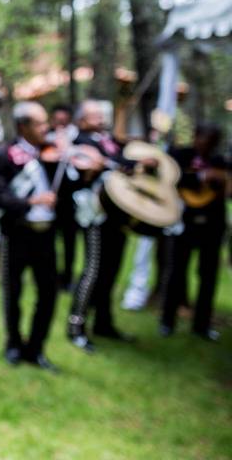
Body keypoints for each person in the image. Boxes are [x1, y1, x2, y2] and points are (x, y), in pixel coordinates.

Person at [66, 99, 153, 352]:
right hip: (96, 216)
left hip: (118, 218)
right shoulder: (82, 142)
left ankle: (104, 323)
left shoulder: (108, 140)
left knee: (111, 272)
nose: (101, 120)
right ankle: (76, 326)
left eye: (102, 116)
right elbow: (105, 166)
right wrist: (133, 165)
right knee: (92, 271)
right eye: (94, 116)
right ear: (82, 120)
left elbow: (119, 158)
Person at [0, 101, 61, 372]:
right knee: (13, 291)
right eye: (40, 124)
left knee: (48, 293)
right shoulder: (7, 154)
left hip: (46, 235)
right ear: (23, 127)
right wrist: (31, 202)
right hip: (17, 234)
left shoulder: (54, 155)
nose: (47, 129)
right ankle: (14, 344)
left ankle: (37, 348)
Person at [160, 123, 229, 341]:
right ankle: (167, 321)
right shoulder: (182, 156)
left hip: (212, 225)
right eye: (202, 138)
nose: (204, 144)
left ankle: (202, 325)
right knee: (176, 272)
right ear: (196, 137)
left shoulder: (220, 163)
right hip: (184, 222)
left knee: (208, 276)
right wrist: (200, 178)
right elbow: (172, 179)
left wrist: (217, 181)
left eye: (210, 141)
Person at [48, 103, 79, 290]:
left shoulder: (75, 138)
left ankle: (67, 276)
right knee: (50, 242)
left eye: (64, 122)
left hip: (69, 200)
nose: (60, 125)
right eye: (57, 121)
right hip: (51, 199)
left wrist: (68, 149)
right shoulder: (46, 138)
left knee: (69, 241)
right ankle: (51, 276)